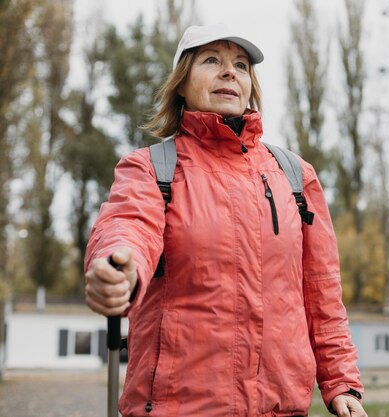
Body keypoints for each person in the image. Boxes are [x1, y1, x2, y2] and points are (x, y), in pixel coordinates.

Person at [84, 23, 367, 417]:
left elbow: (321, 293)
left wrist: (341, 382)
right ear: (182, 82)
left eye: (241, 65)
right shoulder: (151, 169)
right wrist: (118, 266)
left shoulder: (295, 175)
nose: (229, 72)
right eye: (212, 60)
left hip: (280, 408)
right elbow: (128, 224)